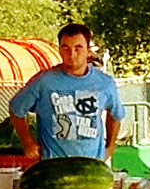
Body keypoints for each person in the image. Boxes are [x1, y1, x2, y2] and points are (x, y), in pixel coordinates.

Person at [8, 24, 124, 163]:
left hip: (92, 166)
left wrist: (110, 146)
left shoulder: (104, 83)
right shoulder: (44, 81)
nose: (72, 54)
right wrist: (28, 143)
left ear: (88, 51)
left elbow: (116, 114)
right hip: (53, 166)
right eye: (66, 48)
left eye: (78, 48)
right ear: (60, 51)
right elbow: (16, 109)